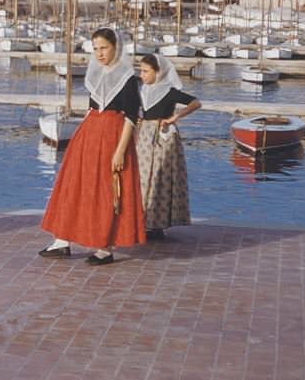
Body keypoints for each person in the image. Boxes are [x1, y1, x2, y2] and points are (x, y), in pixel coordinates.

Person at [38, 27, 146, 265]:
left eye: (104, 48)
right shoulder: (96, 74)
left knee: (106, 190)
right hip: (89, 134)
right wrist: (79, 138)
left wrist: (120, 151)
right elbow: (91, 109)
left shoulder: (127, 77)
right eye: (96, 48)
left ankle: (104, 247)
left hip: (112, 136)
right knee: (74, 185)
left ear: (116, 47)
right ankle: (62, 239)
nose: (99, 53)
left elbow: (131, 117)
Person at [136, 53, 201, 240]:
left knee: (160, 178)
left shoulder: (169, 91)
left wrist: (175, 117)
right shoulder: (143, 90)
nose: (142, 75)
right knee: (143, 177)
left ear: (158, 72)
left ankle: (157, 224)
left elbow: (196, 102)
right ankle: (145, 220)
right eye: (141, 71)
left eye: (146, 71)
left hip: (163, 137)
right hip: (144, 136)